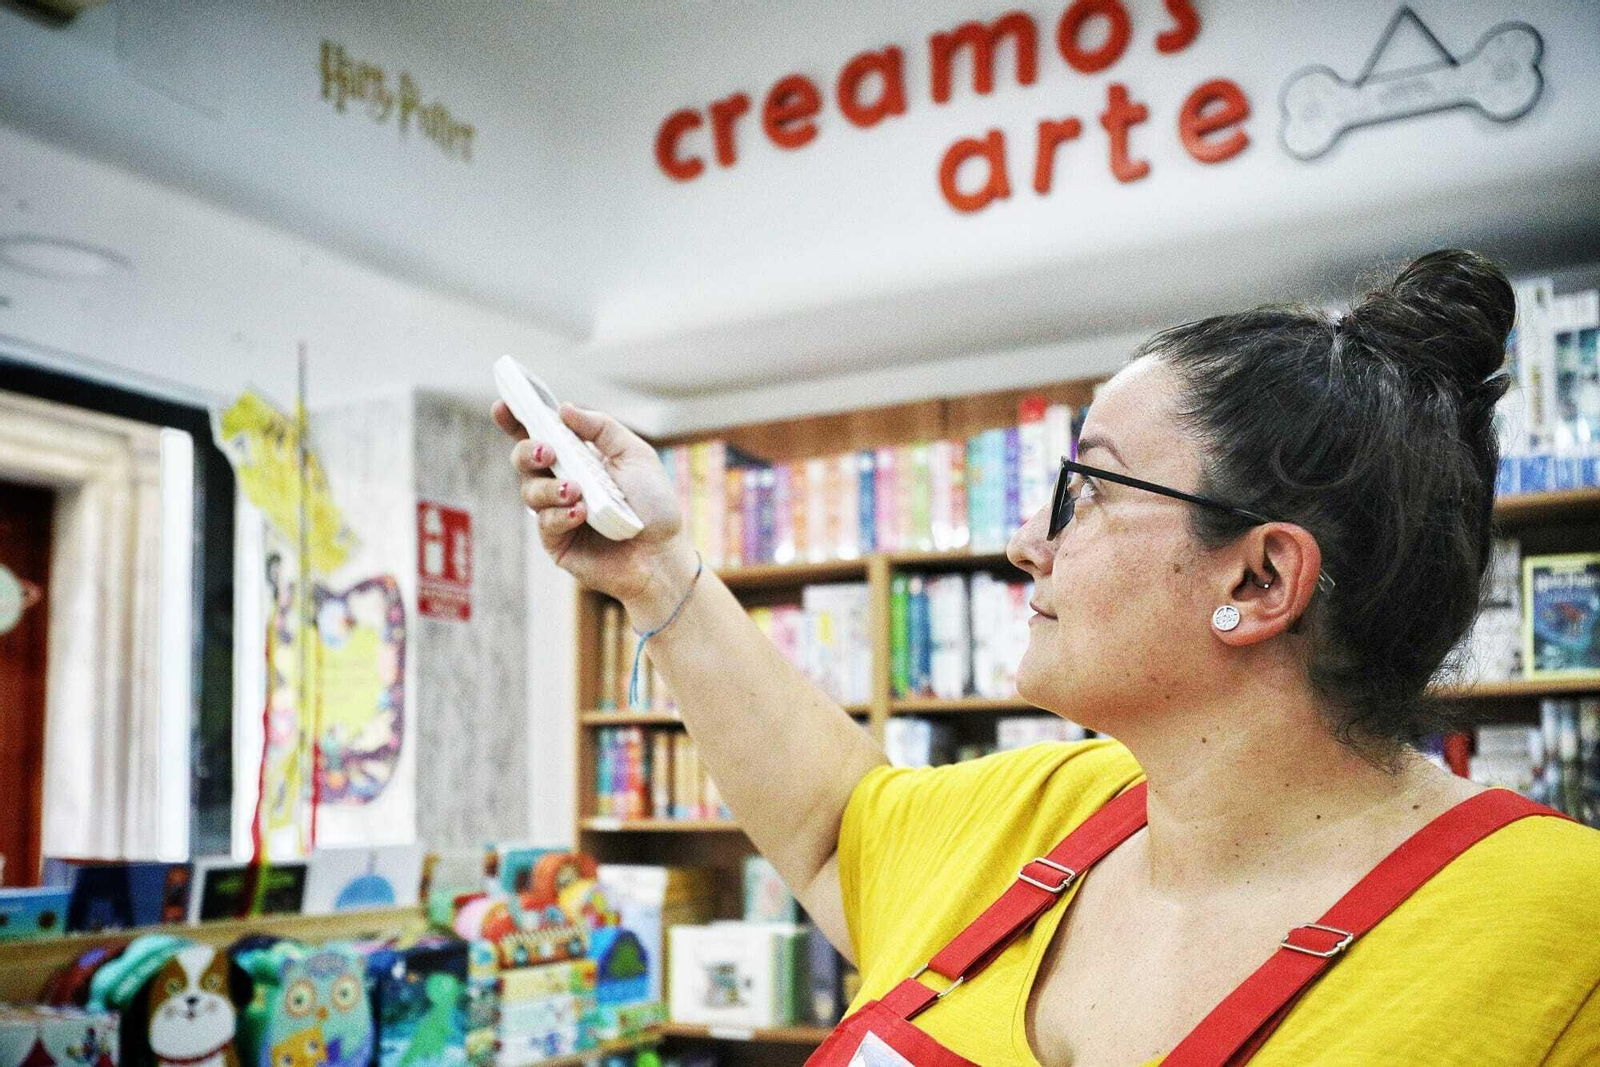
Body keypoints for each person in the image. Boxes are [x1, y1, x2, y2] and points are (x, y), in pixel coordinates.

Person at [493, 250, 1600, 1065]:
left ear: (1260, 580)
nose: (1028, 540)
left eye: (1088, 488)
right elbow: (832, 832)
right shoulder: (1061, 805)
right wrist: (655, 567)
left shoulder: (1561, 931)